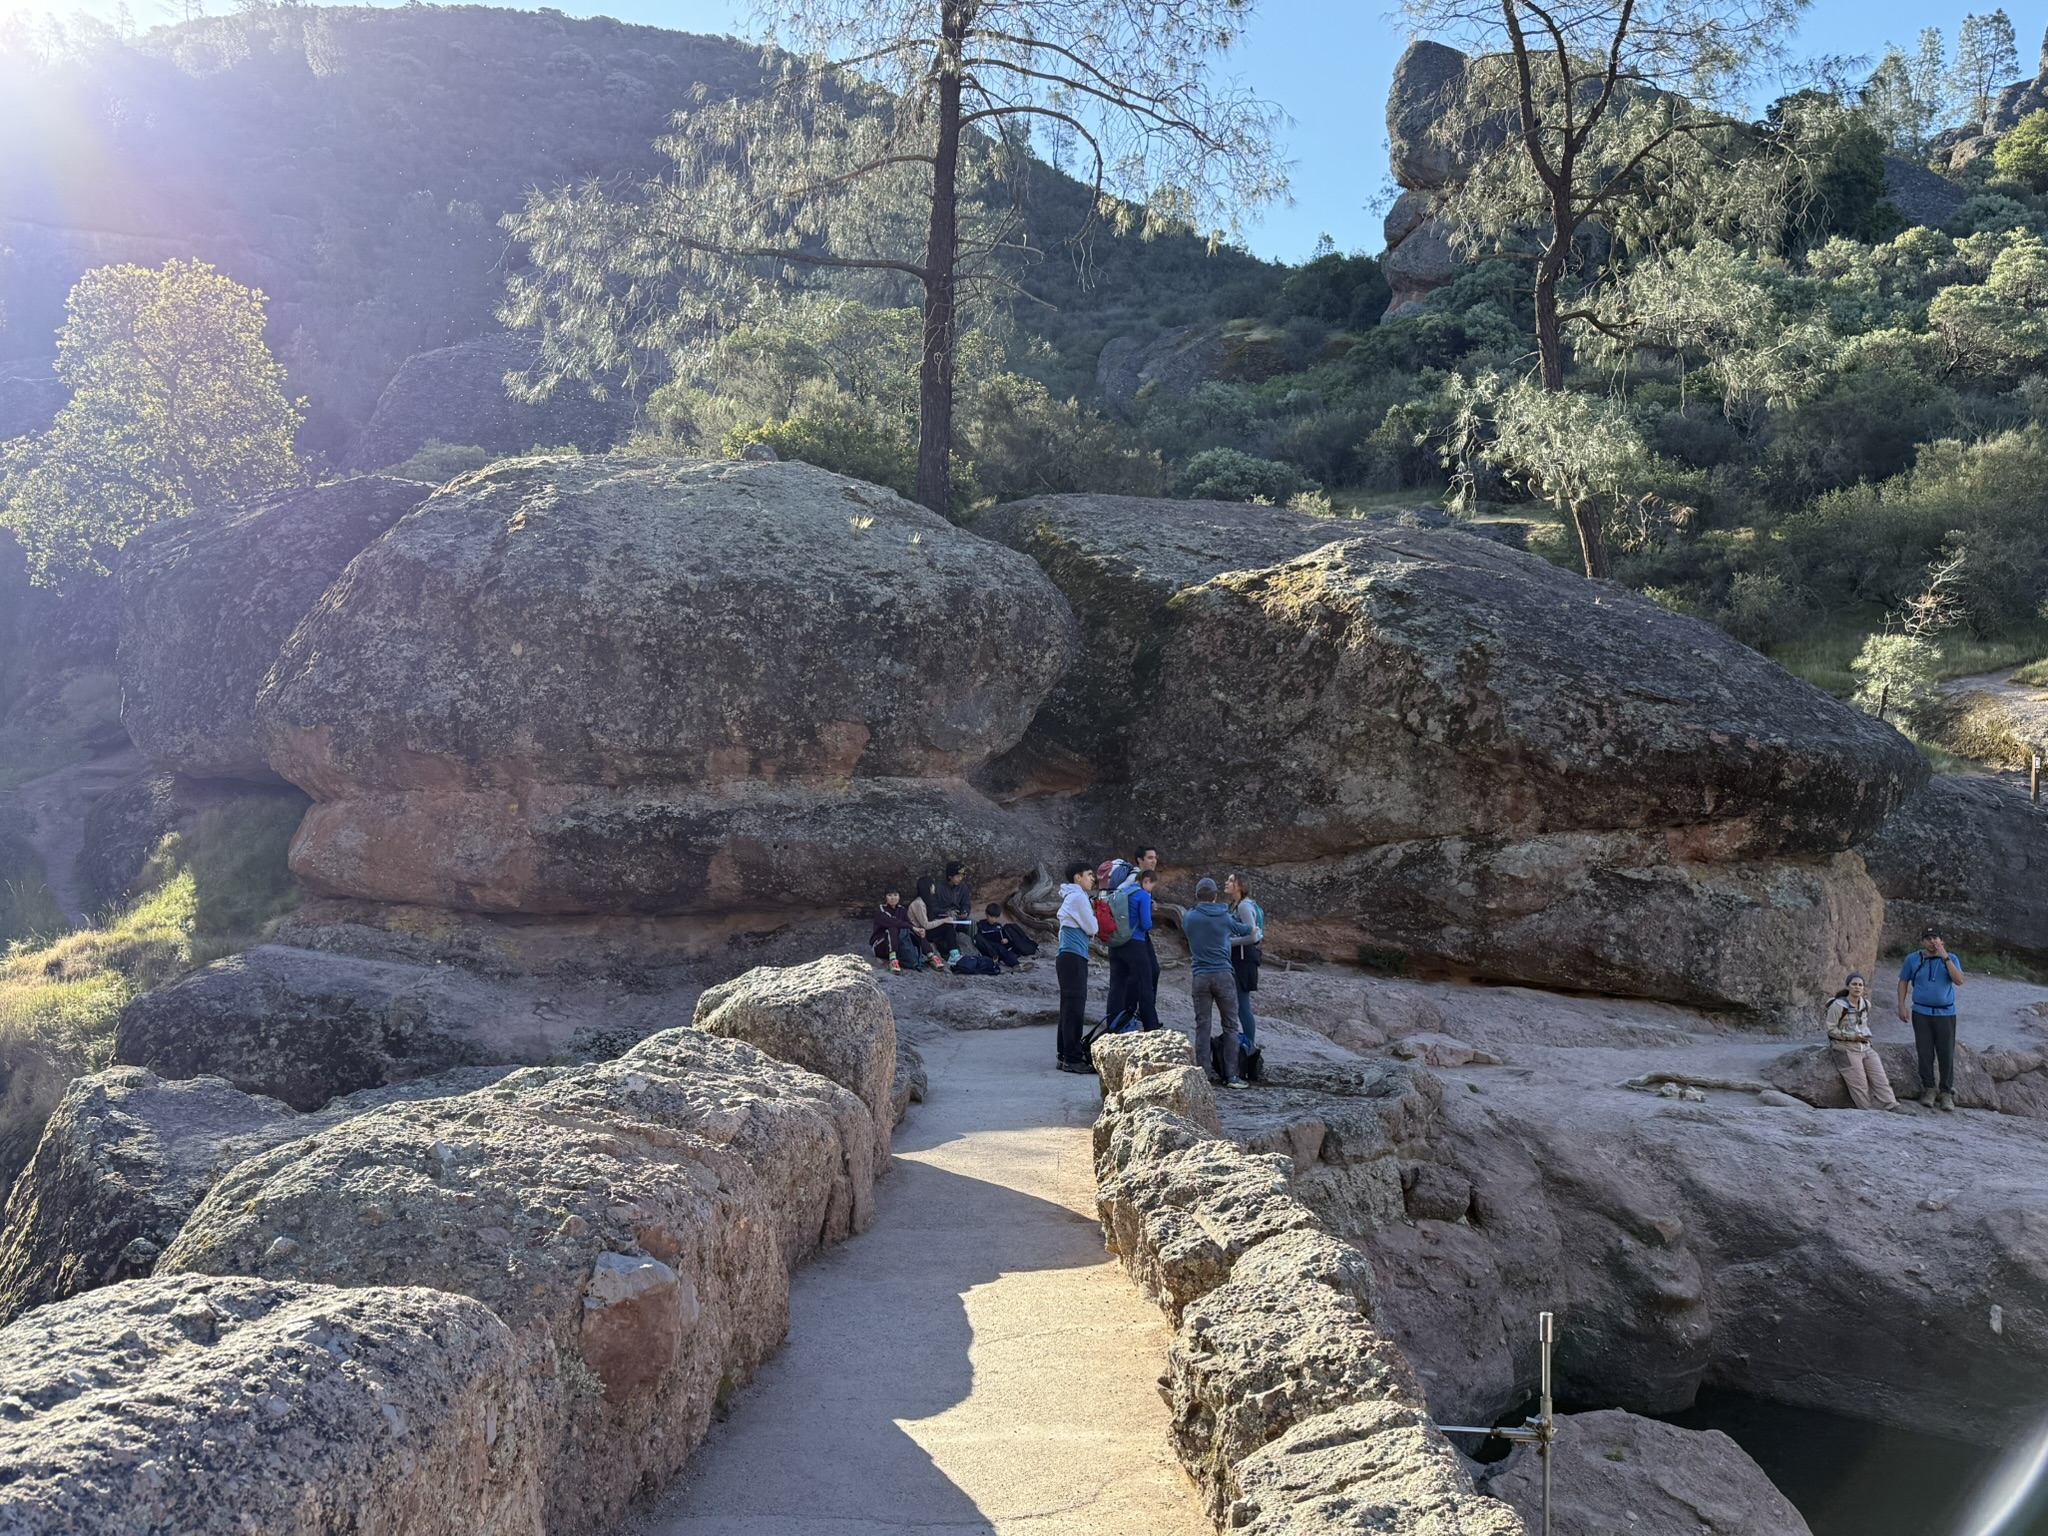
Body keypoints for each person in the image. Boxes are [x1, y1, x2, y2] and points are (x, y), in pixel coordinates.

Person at [1184, 877, 1253, 1088]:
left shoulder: (1189, 917)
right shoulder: (1224, 918)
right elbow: (1246, 930)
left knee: (1202, 1026)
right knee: (1230, 1025)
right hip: (1223, 974)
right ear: (1215, 896)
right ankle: (1232, 1075)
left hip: (1200, 976)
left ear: (1197, 896)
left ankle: (1204, 1074)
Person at [1898, 929, 1965, 1110]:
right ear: (1922, 942)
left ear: (1941, 941)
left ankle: (1945, 1092)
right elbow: (1903, 981)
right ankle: (1929, 1089)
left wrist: (1945, 957)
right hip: (1921, 1013)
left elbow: (1959, 980)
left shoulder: (1951, 958)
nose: (1931, 942)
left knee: (1946, 1053)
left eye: (1935, 938)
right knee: (1924, 1051)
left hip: (1945, 1013)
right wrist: (1901, 1006)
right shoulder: (1913, 959)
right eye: (1928, 938)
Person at [1826, 972, 1899, 1111]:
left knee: (1881, 1079)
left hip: (1864, 1047)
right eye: (1854, 984)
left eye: (1860, 985)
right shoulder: (1837, 1005)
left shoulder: (1865, 1004)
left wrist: (1865, 1037)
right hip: (1845, 1048)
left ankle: (1892, 1105)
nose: (1857, 987)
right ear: (1847, 986)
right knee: (1859, 1085)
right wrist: (1852, 1036)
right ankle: (1867, 1111)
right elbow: (1830, 1029)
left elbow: (1863, 1025)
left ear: (1864, 988)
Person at [1054, 861, 1099, 1074]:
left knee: (1067, 1007)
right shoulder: (1079, 897)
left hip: (1067, 957)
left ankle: (1064, 1054)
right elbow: (1092, 927)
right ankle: (1072, 1058)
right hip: (1074, 958)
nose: (1093, 878)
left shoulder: (1072, 897)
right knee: (1074, 1008)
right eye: (1089, 874)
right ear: (1077, 878)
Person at [1105, 868, 1161, 1031]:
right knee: (1144, 984)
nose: (1151, 889)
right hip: (1135, 943)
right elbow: (1146, 924)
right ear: (1146, 881)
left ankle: (1113, 1026)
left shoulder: (1121, 891)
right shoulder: (1143, 895)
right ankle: (1152, 1027)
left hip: (1116, 944)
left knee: (1117, 986)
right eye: (1152, 885)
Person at [1224, 873, 1265, 1053]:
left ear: (1240, 886)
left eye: (1231, 880)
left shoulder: (1244, 907)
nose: (1227, 882)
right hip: (1238, 957)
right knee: (1239, 1003)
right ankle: (1245, 1044)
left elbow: (1252, 935)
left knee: (1243, 1004)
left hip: (1243, 959)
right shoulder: (1236, 905)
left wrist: (1228, 943)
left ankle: (1249, 1046)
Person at [870, 891, 931, 973]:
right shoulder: (881, 910)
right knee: (892, 928)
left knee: (917, 931)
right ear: (885, 897)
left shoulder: (902, 910)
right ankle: (893, 960)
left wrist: (918, 929)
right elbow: (891, 922)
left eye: (895, 895)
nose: (893, 898)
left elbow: (908, 923)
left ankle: (931, 956)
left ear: (899, 897)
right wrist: (912, 927)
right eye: (889, 895)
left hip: (897, 943)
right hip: (881, 944)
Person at [903, 879, 949, 971]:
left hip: (924, 930)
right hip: (917, 931)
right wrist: (944, 920)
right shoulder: (918, 903)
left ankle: (952, 952)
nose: (934, 887)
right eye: (933, 885)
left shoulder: (927, 900)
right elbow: (925, 925)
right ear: (929, 887)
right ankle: (931, 956)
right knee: (945, 924)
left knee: (948, 926)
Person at [934, 862, 973, 961]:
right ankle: (950, 949)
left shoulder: (962, 887)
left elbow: (966, 902)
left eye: (962, 876)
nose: (960, 878)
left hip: (959, 916)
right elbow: (933, 908)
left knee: (972, 921)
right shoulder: (939, 887)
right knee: (951, 921)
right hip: (943, 916)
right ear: (950, 876)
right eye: (957, 876)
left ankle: (973, 945)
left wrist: (965, 911)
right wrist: (947, 912)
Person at [974, 903, 1027, 969]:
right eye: (991, 917)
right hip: (987, 950)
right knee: (978, 937)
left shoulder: (998, 926)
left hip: (998, 948)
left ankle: (1017, 965)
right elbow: (979, 941)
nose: (993, 919)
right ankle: (994, 956)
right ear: (986, 914)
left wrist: (1006, 941)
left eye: (995, 918)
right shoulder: (980, 925)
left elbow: (1006, 940)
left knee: (1002, 949)